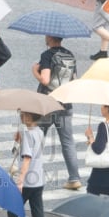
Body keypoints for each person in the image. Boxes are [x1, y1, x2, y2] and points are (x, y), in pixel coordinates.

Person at [33, 35, 83, 190]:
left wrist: (35, 71)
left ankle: (32, 173)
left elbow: (45, 80)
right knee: (68, 142)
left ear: (50, 38)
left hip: (47, 104)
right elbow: (74, 80)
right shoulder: (70, 55)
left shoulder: (47, 55)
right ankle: (74, 178)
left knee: (37, 138)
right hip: (65, 104)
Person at [2, 111, 53, 217]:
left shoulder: (28, 135)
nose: (21, 116)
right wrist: (18, 140)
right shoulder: (39, 132)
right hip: (38, 180)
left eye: (23, 114)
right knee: (38, 215)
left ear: (30, 116)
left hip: (27, 182)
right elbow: (22, 152)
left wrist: (20, 181)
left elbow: (26, 159)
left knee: (12, 213)